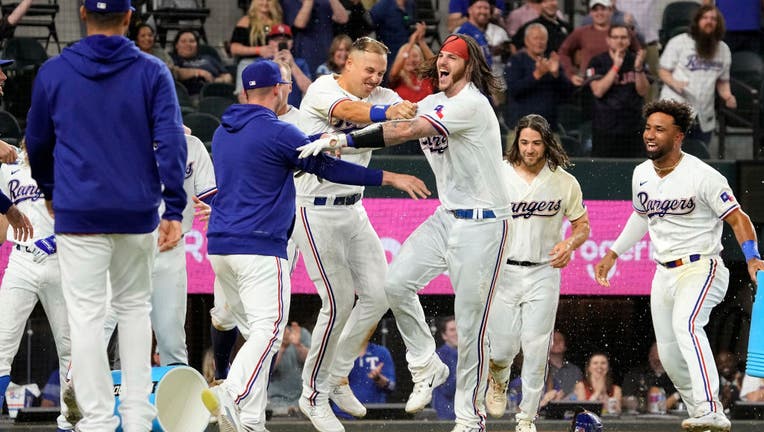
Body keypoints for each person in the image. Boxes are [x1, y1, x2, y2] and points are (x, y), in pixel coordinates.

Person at [297, 33, 513, 432]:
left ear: (469, 67)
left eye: (454, 57)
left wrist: (340, 138)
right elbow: (394, 122)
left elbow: (403, 130)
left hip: (485, 223)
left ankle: (471, 418)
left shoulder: (470, 104)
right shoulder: (430, 102)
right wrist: (342, 135)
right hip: (446, 215)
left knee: (471, 325)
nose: (444, 61)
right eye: (442, 56)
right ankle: (426, 365)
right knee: (394, 285)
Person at [200, 59, 429, 432]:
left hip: (221, 248)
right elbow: (329, 167)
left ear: (244, 92)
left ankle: (251, 422)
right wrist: (387, 176)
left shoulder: (225, 131)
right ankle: (232, 391)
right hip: (259, 246)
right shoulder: (279, 132)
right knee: (269, 331)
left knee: (261, 338)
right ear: (278, 90)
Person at [25, 0, 188, 430]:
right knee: (135, 310)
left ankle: (97, 421)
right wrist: (174, 205)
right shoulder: (153, 71)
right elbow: (172, 141)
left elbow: (37, 144)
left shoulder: (54, 72)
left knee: (86, 318)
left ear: (81, 13)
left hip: (79, 212)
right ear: (130, 18)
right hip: (136, 211)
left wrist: (50, 192)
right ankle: (136, 418)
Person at [595, 99, 764, 432]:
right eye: (648, 128)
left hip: (702, 267)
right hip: (663, 273)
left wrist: (752, 256)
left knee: (687, 325)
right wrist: (613, 253)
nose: (650, 134)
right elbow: (641, 216)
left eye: (660, 129)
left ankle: (711, 408)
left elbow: (738, 218)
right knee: (670, 356)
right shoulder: (641, 173)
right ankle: (700, 414)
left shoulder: (702, 175)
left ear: (679, 136)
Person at [292, 36, 417, 432]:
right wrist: (387, 110)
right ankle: (312, 394)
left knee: (381, 293)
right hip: (314, 210)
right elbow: (351, 112)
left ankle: (336, 377)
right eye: (369, 70)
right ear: (347, 62)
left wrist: (415, 116)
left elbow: (398, 126)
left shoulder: (382, 93)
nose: (375, 77)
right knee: (339, 300)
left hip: (354, 209)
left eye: (381, 71)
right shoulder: (323, 88)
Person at [484, 113, 589, 432]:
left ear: (547, 144)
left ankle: (527, 417)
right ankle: (498, 380)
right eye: (524, 142)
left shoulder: (563, 180)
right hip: (504, 270)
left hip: (544, 272)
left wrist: (570, 245)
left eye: (536, 143)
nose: (529, 149)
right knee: (502, 348)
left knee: (536, 346)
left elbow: (582, 226)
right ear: (517, 142)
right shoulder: (498, 173)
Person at [0, 145, 74, 432]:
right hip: (21, 259)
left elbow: (85, 211)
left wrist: (57, 239)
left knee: (70, 347)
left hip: (60, 260)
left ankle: (69, 422)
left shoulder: (67, 167)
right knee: (2, 344)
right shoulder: (9, 169)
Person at [148, 129, 217, 366]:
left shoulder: (192, 145)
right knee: (102, 327)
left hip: (171, 250)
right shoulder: (124, 138)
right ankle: (74, 400)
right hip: (127, 246)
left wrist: (216, 211)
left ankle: (174, 402)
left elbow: (210, 197)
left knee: (172, 340)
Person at [658, 4, 735, 145]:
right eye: (705, 18)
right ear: (697, 21)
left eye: (713, 19)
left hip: (704, 114)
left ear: (718, 24)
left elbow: (722, 81)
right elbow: (663, 71)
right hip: (676, 109)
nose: (709, 21)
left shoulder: (723, 49)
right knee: (672, 156)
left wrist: (728, 96)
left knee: (699, 157)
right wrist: (674, 82)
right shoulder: (679, 42)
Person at [587, 23, 648, 157]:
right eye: (615, 37)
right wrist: (616, 67)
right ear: (608, 40)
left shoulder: (636, 60)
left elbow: (643, 91)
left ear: (629, 40)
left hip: (633, 126)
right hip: (605, 127)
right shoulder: (597, 61)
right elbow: (598, 91)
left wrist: (638, 68)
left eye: (623, 37)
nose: (619, 41)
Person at [558, 0, 640, 87]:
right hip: (590, 83)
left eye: (603, 9)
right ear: (590, 13)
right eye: (595, 10)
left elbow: (638, 52)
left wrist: (633, 73)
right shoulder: (581, 32)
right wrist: (571, 74)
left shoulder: (621, 32)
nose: (599, 13)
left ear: (610, 10)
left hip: (619, 84)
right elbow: (563, 52)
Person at [505, 24, 570, 133]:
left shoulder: (551, 61)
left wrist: (556, 74)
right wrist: (537, 75)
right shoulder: (516, 61)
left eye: (543, 39)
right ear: (526, 41)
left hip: (549, 127)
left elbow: (567, 93)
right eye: (535, 38)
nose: (539, 42)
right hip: (522, 128)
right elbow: (514, 90)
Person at [281, 0, 349, 74]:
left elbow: (343, 19)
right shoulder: (289, 2)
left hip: (326, 55)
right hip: (304, 56)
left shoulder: (324, 2)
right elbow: (300, 24)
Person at [334, 340, 396, 419]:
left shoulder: (381, 352)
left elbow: (391, 387)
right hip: (342, 414)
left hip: (373, 416)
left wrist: (378, 378)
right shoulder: (341, 353)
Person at [172, 29, 233, 97]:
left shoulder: (208, 58)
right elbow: (175, 73)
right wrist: (199, 72)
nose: (188, 44)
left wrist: (220, 80)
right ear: (176, 45)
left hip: (218, 92)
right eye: (183, 41)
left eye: (192, 41)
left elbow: (227, 75)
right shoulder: (172, 59)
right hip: (192, 95)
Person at [621, 342, 679, 413]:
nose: (659, 363)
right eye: (656, 361)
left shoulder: (676, 375)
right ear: (650, 357)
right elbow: (625, 397)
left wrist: (676, 397)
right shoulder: (636, 374)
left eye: (662, 360)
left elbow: (685, 394)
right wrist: (633, 402)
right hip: (641, 418)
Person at [269, 321, 312, 416]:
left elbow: (312, 363)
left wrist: (298, 345)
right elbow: (266, 370)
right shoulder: (268, 334)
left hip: (301, 400)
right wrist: (283, 347)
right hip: (275, 401)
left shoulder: (302, 333)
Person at [388, 23, 434, 103]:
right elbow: (394, 72)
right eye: (407, 57)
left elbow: (435, 64)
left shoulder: (427, 76)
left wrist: (421, 41)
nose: (411, 60)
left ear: (421, 59)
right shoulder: (397, 78)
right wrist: (411, 42)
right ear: (401, 59)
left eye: (415, 56)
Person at [543, 331, 583, 402]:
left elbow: (580, 394)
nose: (557, 342)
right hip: (545, 410)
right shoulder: (541, 369)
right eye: (553, 340)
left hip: (571, 409)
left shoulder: (575, 371)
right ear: (547, 344)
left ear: (565, 346)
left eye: (560, 340)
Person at [432, 316, 457, 420]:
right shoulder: (438, 356)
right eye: (452, 330)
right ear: (444, 335)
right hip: (445, 415)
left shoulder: (468, 354)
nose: (457, 333)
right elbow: (448, 389)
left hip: (464, 414)